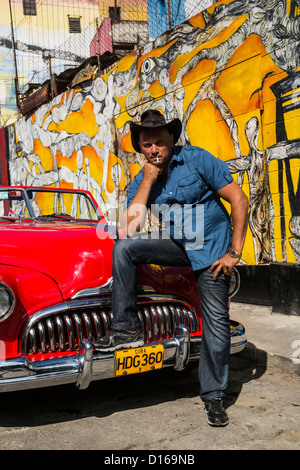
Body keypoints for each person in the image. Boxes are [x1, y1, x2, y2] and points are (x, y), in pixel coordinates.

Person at [92, 109, 248, 426]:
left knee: (216, 323)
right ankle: (126, 329)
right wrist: (148, 181)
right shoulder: (144, 177)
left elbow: (239, 199)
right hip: (178, 244)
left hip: (212, 250)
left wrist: (234, 252)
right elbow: (130, 226)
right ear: (140, 147)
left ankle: (214, 397)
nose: (154, 150)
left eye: (160, 143)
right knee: (124, 248)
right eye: (147, 144)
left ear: (171, 140)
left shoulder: (197, 159)